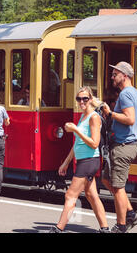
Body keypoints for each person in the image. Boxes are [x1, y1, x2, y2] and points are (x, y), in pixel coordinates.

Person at [48, 87, 109, 233]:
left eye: (85, 99)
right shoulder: (83, 116)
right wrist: (66, 162)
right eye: (79, 99)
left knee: (70, 195)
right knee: (91, 195)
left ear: (90, 99)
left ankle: (58, 229)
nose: (81, 102)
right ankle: (105, 228)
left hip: (89, 160)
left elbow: (94, 143)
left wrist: (76, 130)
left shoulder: (94, 117)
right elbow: (77, 144)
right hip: (84, 160)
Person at [100, 62, 137, 233]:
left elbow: (131, 119)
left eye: (115, 74)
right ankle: (131, 213)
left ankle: (121, 225)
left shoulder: (125, 94)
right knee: (106, 179)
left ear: (124, 76)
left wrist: (110, 113)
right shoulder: (136, 94)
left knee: (118, 187)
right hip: (129, 144)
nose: (112, 77)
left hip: (123, 146)